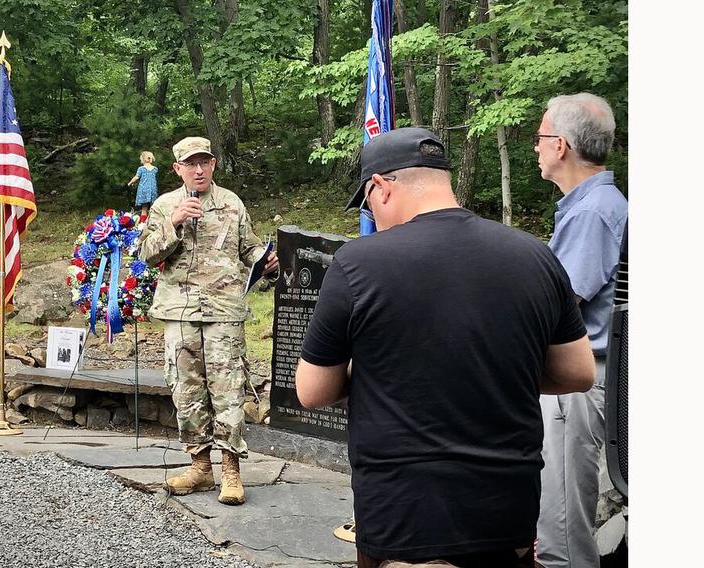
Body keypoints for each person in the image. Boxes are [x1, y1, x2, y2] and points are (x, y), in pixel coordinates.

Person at [294, 127, 596, 567]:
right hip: (505, 506)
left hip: (402, 510)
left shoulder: (358, 263)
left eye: (365, 203)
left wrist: (380, 371)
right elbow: (578, 373)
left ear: (380, 186)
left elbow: (312, 391)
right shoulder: (535, 256)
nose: (371, 215)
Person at [138, 136, 278, 506]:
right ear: (177, 169)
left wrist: (268, 262)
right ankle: (200, 467)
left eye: (205, 162)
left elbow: (249, 249)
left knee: (228, 390)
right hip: (179, 311)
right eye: (190, 164)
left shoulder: (231, 203)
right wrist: (174, 222)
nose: (198, 170)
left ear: (213, 164)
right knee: (187, 392)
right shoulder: (164, 205)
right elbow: (148, 255)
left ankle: (231, 471)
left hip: (223, 311)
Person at [533, 93, 628, 568]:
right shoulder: (589, 206)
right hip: (580, 376)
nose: (536, 146)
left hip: (577, 381)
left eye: (541, 137)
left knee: (564, 524)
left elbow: (558, 305)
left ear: (563, 146)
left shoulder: (592, 213)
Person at [127, 150, 160, 218]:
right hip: (152, 190)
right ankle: (152, 221)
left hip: (143, 190)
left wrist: (130, 182)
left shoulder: (141, 169)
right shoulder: (155, 169)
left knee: (144, 207)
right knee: (152, 207)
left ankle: (143, 222)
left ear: (143, 159)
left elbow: (136, 177)